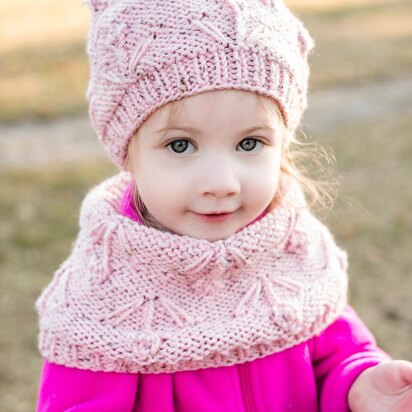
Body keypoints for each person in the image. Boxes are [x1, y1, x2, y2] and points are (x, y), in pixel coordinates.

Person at [35, 0, 412, 410]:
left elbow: (333, 358)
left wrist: (362, 385)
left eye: (250, 143)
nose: (221, 183)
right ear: (127, 152)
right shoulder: (102, 299)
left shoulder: (292, 253)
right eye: (181, 145)